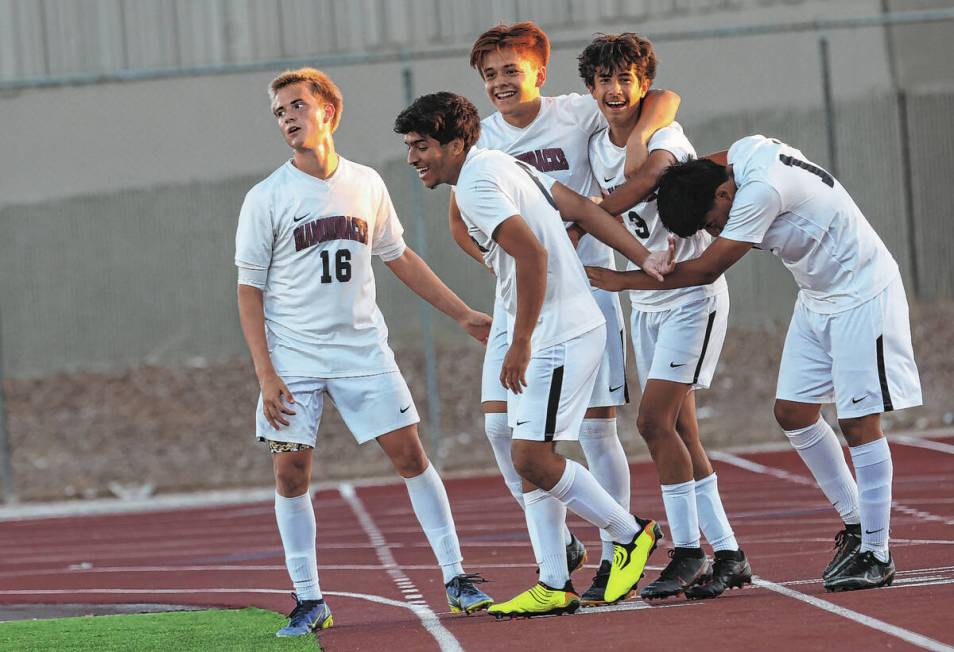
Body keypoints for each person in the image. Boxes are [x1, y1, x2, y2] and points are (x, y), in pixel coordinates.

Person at [587, 135, 922, 592]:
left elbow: (705, 269)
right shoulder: (740, 158)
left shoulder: (757, 194)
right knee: (793, 413)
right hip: (818, 295)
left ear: (725, 197)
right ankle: (858, 523)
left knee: (859, 422)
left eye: (711, 221)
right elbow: (691, 170)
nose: (713, 228)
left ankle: (877, 552)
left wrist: (619, 279)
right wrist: (641, 197)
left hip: (862, 294)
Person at [235, 68, 495, 637]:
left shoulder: (366, 184)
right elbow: (248, 291)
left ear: (328, 111)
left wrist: (461, 313)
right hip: (294, 360)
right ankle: (309, 599)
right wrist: (266, 373)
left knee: (410, 457)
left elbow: (400, 258)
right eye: (279, 112)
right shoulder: (266, 198)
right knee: (290, 474)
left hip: (363, 354)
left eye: (297, 106)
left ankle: (456, 577)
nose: (287, 119)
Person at [395, 91, 672, 617]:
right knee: (524, 453)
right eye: (410, 147)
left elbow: (534, 253)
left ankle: (629, 533)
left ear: (455, 144)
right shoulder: (497, 162)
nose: (413, 158)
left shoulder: (479, 180)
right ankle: (552, 580)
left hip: (558, 332)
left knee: (533, 457)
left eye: (422, 146)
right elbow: (580, 209)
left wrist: (519, 342)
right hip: (556, 326)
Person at [448, 21, 680, 599]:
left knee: (597, 433)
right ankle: (563, 546)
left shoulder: (576, 111)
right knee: (501, 427)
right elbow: (460, 223)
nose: (501, 83)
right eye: (490, 74)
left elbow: (664, 98)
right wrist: (501, 260)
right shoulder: (483, 142)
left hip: (585, 293)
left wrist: (637, 138)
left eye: (512, 71)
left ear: (538, 74)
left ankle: (613, 553)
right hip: (522, 299)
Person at [578, 33, 751, 601]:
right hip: (649, 301)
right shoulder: (596, 138)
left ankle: (687, 551)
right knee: (680, 431)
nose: (614, 88)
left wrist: (585, 218)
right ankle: (728, 551)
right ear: (590, 87)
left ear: (642, 84)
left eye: (625, 78)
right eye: (604, 79)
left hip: (690, 297)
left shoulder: (664, 134)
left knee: (652, 422)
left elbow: (650, 177)